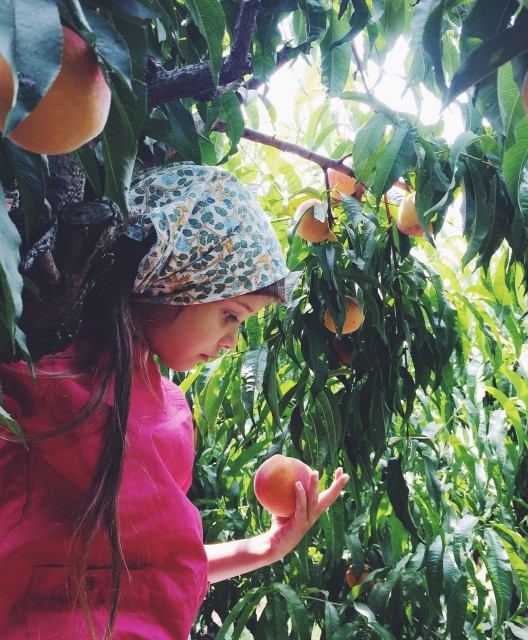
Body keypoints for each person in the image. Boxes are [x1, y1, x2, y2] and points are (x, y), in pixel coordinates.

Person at [0, 163, 350, 640]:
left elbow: (154, 571)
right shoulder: (39, 381)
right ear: (173, 278)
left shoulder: (171, 413)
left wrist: (267, 547)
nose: (231, 343)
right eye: (230, 314)